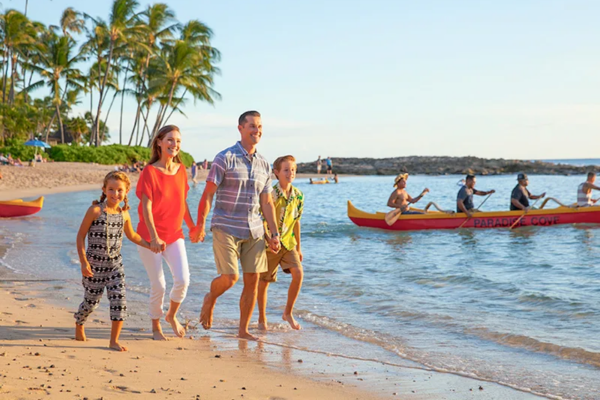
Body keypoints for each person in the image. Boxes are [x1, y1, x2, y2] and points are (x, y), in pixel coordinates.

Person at [191, 110, 280, 341]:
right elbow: (208, 194)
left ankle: (243, 330)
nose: (256, 130)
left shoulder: (264, 164)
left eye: (259, 126)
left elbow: (267, 202)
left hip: (254, 230)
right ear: (240, 128)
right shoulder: (224, 158)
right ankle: (210, 298)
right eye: (251, 126)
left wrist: (274, 233)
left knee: (253, 281)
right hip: (225, 226)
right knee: (231, 277)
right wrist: (200, 225)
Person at [74, 171, 154, 351]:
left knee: (119, 301)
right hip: (94, 266)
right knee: (91, 302)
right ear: (104, 189)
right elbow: (80, 237)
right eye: (111, 189)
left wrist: (151, 245)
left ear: (126, 192)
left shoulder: (124, 214)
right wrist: (83, 262)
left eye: (120, 190)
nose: (115, 194)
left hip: (115, 266)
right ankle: (80, 321)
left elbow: (132, 235)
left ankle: (113, 341)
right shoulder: (95, 210)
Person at [136, 125, 196, 341]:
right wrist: (153, 237)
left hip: (174, 235)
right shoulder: (149, 172)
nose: (175, 145)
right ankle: (155, 325)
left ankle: (171, 315)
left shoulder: (181, 170)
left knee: (183, 279)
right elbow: (146, 207)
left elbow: (183, 203)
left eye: (178, 141)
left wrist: (193, 226)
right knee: (159, 284)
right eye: (170, 140)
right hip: (148, 237)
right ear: (159, 142)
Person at [257, 155, 304, 331]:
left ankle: (288, 313)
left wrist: (299, 247)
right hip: (270, 244)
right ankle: (262, 318)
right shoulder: (271, 194)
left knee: (298, 274)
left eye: (293, 169)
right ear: (276, 173)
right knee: (264, 281)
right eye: (286, 170)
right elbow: (262, 219)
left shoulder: (299, 196)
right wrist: (268, 240)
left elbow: (297, 222)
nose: (290, 173)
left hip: (289, 243)